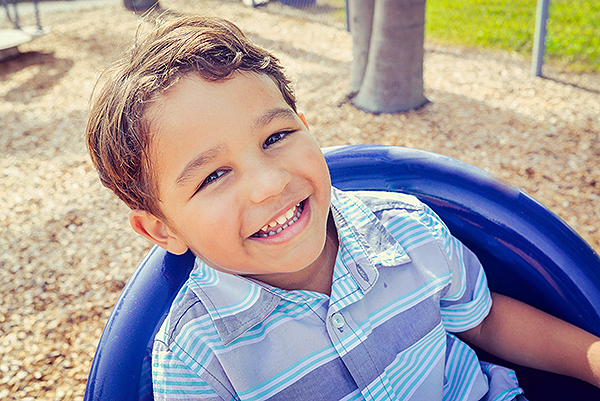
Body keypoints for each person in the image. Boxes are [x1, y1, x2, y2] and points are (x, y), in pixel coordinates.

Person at [85, 15, 600, 401]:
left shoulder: (406, 228)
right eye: (214, 175)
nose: (270, 183)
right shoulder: (197, 352)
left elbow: (484, 323)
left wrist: (591, 359)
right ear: (160, 230)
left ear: (306, 125)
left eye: (277, 136)